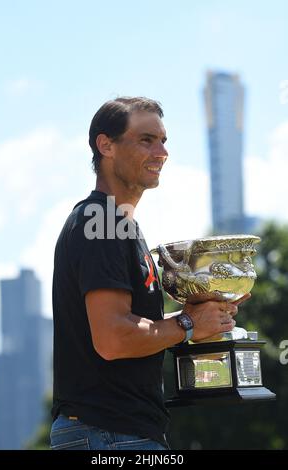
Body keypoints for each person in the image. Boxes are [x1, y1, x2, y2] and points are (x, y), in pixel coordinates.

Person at [50, 96, 250, 451]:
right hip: (108, 434)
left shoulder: (119, 223)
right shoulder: (104, 221)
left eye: (163, 141)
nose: (162, 152)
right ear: (105, 145)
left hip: (113, 432)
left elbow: (135, 327)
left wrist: (201, 316)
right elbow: (113, 339)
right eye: (146, 140)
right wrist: (187, 324)